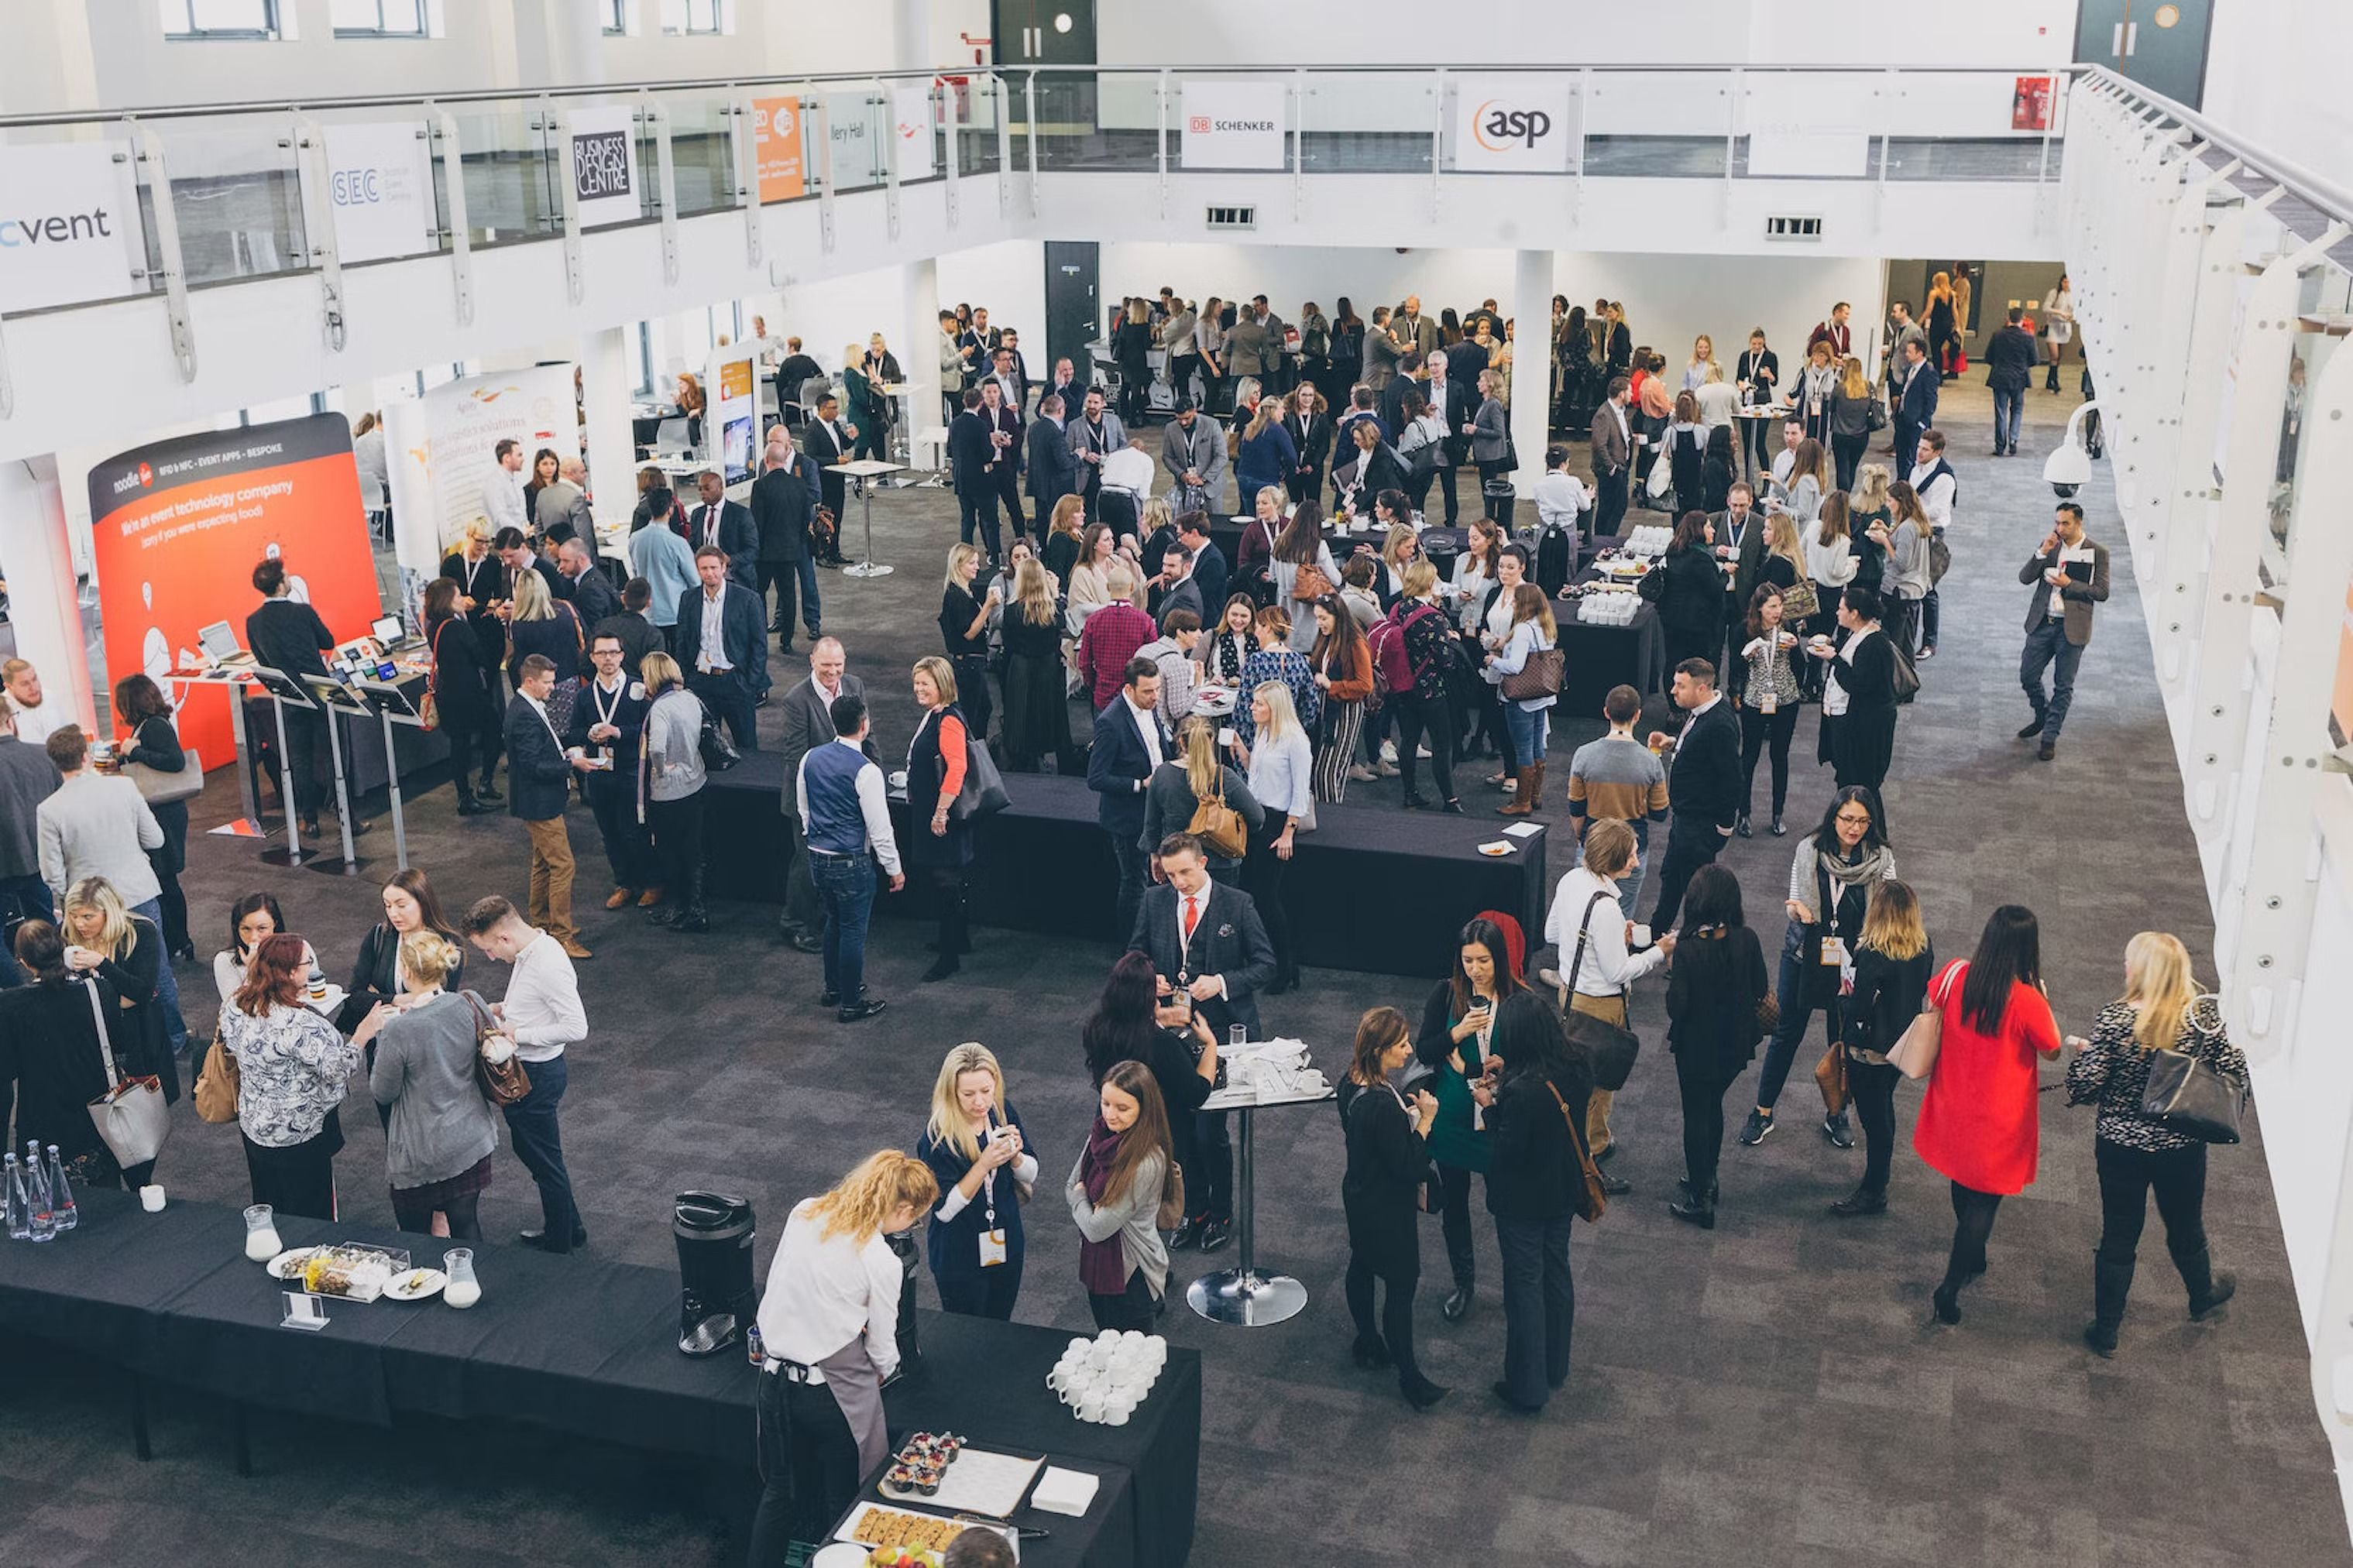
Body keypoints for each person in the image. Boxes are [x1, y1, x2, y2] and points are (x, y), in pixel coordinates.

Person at [747, 1151, 939, 1558]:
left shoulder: (804, 1211)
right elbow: (883, 1347)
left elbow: (785, 1280)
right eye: (914, 1219)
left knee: (779, 1492)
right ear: (903, 1209)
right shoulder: (880, 1260)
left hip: (772, 1381)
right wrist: (883, 1369)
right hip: (829, 1395)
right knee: (849, 1501)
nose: (911, 1227)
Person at [2066, 931, 2246, 1354]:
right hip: (2182, 1148)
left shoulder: (2115, 1020)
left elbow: (2085, 1086)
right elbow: (2237, 1076)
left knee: (2119, 1234)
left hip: (2120, 1148)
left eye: (2130, 962)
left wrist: (2085, 1057)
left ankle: (2107, 1329)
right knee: (2185, 1225)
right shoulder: (2205, 1021)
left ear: (2143, 971)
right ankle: (2202, 1295)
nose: (2125, 968)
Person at [1913, 904, 2063, 1325]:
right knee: (1985, 1202)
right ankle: (1952, 1283)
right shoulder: (2027, 1000)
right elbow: (2051, 1048)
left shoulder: (1958, 975)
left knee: (1962, 1181)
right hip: (1999, 1120)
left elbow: (1932, 998)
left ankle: (1971, 1255)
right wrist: (2044, 999)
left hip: (1952, 1103)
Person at [1743, 785, 1895, 1151]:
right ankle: (1762, 1111)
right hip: (1804, 952)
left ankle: (1836, 1113)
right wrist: (1797, 911)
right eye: (1847, 819)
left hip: (1853, 960)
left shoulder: (1881, 859)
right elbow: (1793, 902)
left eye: (1862, 821)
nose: (1854, 828)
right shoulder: (1809, 850)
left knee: (1842, 1040)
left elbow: (1887, 910)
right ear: (1834, 817)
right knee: (1786, 1033)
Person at [36, 726, 187, 1056]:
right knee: (156, 969)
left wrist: (66, 904)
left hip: (89, 905)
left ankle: (113, 1042)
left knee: (97, 972)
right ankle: (174, 1038)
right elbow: (156, 839)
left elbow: (51, 872)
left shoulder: (49, 809)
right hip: (138, 892)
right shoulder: (123, 787)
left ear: (54, 763)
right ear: (87, 755)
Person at [1485, 990, 1593, 1413]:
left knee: (1524, 1288)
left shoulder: (1521, 1093)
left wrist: (1491, 1105)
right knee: (1556, 1273)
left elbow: (1507, 1151)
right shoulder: (1578, 1064)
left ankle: (1527, 1388)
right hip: (1564, 1191)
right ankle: (1555, 1366)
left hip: (1522, 1203)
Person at [1413, 917, 1526, 1323]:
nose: (1475, 970)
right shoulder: (1446, 995)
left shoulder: (1519, 1001)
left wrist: (1489, 1072)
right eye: (1467, 961)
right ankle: (1465, 1283)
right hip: (1453, 1119)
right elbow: (1425, 1050)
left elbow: (1538, 1062)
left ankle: (1519, 1285)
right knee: (1455, 1207)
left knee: (1508, 1207)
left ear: (1500, 959)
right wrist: (1457, 1033)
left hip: (1501, 1120)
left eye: (1483, 961)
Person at [1543, 818, 1666, 1188]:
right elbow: (1618, 972)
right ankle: (1590, 1160)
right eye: (1631, 854)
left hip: (1569, 995)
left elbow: (1551, 933)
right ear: (1615, 859)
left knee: (1576, 1077)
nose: (1636, 861)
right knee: (1599, 1087)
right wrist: (1659, 952)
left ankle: (1587, 1143)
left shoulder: (1570, 880)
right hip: (1600, 1006)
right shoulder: (1608, 907)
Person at [462, 894, 589, 1251]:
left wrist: (519, 1034)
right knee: (538, 1154)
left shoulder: (546, 963)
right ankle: (570, 1227)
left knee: (544, 1161)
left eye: (488, 949)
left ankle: (560, 1242)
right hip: (530, 1072)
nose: (489, 957)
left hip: (537, 1076)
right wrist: (505, 1009)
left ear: (504, 938)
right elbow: (535, 1001)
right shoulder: (530, 951)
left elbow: (577, 1027)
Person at [1338, 1004, 1449, 1409]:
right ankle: (1409, 1376)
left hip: (1359, 1197)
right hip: (1388, 1210)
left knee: (1361, 1265)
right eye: (1402, 1045)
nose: (1409, 1050)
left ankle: (1368, 1340)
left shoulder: (1350, 1084)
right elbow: (1411, 1165)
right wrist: (1424, 1122)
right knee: (1400, 1290)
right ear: (1381, 1049)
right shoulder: (1382, 1106)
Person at [357, 930, 495, 1239]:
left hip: (421, 1151)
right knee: (466, 1223)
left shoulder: (399, 1031)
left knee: (416, 1238)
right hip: (470, 1138)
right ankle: (469, 1283)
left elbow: (383, 1091)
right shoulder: (470, 1002)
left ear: (406, 972)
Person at [0, 919, 156, 1190]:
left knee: (53, 1196)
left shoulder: (11, 1005)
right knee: (108, 1198)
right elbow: (119, 1043)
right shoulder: (100, 991)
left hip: (44, 1119)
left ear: (23, 962)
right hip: (97, 1114)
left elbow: (7, 1069)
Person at [220, 932, 362, 1220]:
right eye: (308, 962)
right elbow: (336, 1069)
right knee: (312, 1216)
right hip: (302, 1136)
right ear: (292, 973)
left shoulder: (236, 1005)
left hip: (255, 1127)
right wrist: (362, 1035)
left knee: (272, 1206)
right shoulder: (299, 1023)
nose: (313, 967)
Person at [797, 693, 902, 1023]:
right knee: (853, 930)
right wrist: (894, 868)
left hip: (818, 856)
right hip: (851, 861)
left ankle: (833, 988)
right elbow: (880, 827)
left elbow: (805, 809)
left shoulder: (810, 757)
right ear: (864, 724)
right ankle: (851, 1001)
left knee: (833, 922)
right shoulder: (866, 771)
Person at [915, 1041, 1038, 1320]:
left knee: (1001, 1325)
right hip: (959, 1253)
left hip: (1005, 1242)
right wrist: (984, 1164)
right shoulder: (938, 1137)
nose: (980, 1102)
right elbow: (944, 1211)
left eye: (986, 1090)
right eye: (968, 1094)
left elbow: (1030, 1174)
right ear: (951, 1092)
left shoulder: (1001, 1111)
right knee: (967, 1331)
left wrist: (1015, 1156)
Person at [1834, 879, 1933, 1218]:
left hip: (1869, 1050)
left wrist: (1842, 999)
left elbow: (1859, 1008)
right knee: (1884, 1109)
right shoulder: (1923, 947)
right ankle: (1877, 1182)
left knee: (1875, 1122)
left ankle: (1874, 1190)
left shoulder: (1874, 955)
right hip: (1901, 1045)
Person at [244, 558, 355, 839]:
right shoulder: (303, 612)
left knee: (301, 758)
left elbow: (262, 660)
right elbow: (327, 641)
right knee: (335, 754)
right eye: (287, 575)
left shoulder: (253, 622)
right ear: (281, 584)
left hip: (290, 695)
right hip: (321, 690)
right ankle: (347, 817)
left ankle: (310, 820)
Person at [1067, 1059, 1175, 1330]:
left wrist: (1082, 1198)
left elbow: (1096, 1228)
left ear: (1144, 1109)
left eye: (1122, 1108)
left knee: (1134, 1362)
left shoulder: (1146, 1161)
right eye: (1105, 1104)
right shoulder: (1100, 1135)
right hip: (1097, 1265)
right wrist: (1084, 1202)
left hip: (1131, 1273)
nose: (1110, 1115)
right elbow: (1069, 1185)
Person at [500, 655, 590, 960]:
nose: (554, 688)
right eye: (548, 683)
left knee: (543, 864)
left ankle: (540, 923)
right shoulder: (524, 714)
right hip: (540, 803)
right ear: (530, 681)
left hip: (537, 801)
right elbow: (534, 765)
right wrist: (570, 763)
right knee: (563, 865)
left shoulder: (525, 706)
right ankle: (562, 935)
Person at [60, 877, 177, 1108]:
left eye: (88, 916)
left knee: (142, 1112)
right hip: (91, 1041)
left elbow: (141, 993)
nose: (79, 924)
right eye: (73, 915)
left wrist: (102, 964)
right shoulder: (65, 935)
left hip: (137, 1038)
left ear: (108, 912)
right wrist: (119, 999)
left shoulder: (140, 932)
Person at [563, 631, 655, 912]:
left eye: (613, 653)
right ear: (592, 658)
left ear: (622, 656)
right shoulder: (584, 696)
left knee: (636, 830)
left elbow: (649, 728)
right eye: (602, 653)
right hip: (599, 771)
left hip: (631, 770)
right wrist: (589, 735)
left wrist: (617, 732)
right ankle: (624, 882)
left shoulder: (637, 689)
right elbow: (573, 733)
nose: (608, 659)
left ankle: (652, 881)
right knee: (610, 832)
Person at [1230, 681, 1312, 995]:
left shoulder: (1295, 741)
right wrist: (1243, 754)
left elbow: (1300, 789)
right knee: (1254, 894)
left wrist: (1288, 832)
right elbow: (1260, 777)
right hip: (1256, 819)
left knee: (1266, 897)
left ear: (1274, 708)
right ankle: (1270, 961)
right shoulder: (1264, 733)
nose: (1252, 708)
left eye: (1259, 704)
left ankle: (1285, 965)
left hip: (1277, 823)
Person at [1646, 659, 1740, 932]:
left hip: (1700, 825)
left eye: (1680, 686)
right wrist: (1674, 745)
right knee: (1672, 880)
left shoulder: (1719, 724)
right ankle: (1656, 936)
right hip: (1687, 820)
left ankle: (1694, 951)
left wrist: (1724, 827)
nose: (1673, 691)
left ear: (1701, 688)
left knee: (1697, 892)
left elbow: (1732, 779)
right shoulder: (1704, 711)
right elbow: (1702, 751)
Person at [2018, 500, 2109, 761]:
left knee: (2063, 686)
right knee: (2028, 676)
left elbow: (2102, 592)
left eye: (2065, 523)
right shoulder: (2051, 545)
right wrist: (2040, 553)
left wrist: (2070, 584)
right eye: (2057, 522)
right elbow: (2025, 578)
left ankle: (2050, 737)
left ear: (2079, 523)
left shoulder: (2097, 552)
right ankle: (2042, 714)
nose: (2059, 528)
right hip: (2043, 622)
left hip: (2072, 627)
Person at [902, 657, 975, 983]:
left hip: (942, 819)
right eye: (917, 683)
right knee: (947, 882)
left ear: (941, 685)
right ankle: (957, 940)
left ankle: (950, 956)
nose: (918, 689)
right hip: (935, 815)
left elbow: (957, 767)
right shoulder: (936, 715)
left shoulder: (948, 720)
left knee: (947, 884)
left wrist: (941, 812)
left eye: (925, 684)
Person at [110, 674, 193, 960]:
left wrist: (137, 752)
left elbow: (175, 761)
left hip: (165, 813)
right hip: (162, 812)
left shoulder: (155, 726)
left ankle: (179, 941)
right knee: (164, 878)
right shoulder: (149, 724)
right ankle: (178, 941)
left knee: (166, 879)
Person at [1090, 657, 1170, 943]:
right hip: (1128, 817)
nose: (1155, 696)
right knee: (1134, 883)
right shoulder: (1110, 722)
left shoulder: (1150, 709)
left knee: (1152, 879)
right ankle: (1131, 950)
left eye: (1158, 689)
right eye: (1148, 691)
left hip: (1155, 811)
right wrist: (1140, 784)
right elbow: (1096, 778)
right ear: (1129, 688)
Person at [340, 866, 465, 1044]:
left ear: (423, 902)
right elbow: (356, 996)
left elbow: (444, 1001)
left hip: (426, 1041)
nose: (393, 914)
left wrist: (378, 997)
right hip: (382, 1040)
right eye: (387, 906)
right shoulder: (379, 936)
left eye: (401, 905)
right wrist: (398, 999)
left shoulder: (447, 944)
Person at [1141, 715, 1261, 887]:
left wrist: (1155, 856)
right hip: (1220, 863)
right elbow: (1257, 817)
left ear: (1181, 742)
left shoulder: (1163, 774)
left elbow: (1151, 824)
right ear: (1211, 740)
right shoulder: (1224, 776)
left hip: (1177, 863)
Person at [636, 652, 708, 932]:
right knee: (693, 851)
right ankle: (696, 909)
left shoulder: (661, 709)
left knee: (670, 852)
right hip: (696, 783)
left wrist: (662, 770)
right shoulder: (690, 698)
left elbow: (656, 748)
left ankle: (678, 906)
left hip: (668, 794)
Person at [1385, 561, 1463, 814]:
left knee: (1408, 740)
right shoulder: (1433, 618)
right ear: (1429, 584)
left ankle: (1410, 793)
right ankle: (1449, 799)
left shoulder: (1398, 608)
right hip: (1432, 690)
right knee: (1442, 744)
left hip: (1404, 687)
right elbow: (1447, 662)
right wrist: (1451, 640)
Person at [675, 544, 766, 753]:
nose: (710, 573)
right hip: (701, 681)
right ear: (697, 570)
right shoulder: (688, 598)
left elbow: (759, 645)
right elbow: (682, 640)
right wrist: (687, 677)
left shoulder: (747, 599)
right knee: (705, 744)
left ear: (724, 567)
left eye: (714, 568)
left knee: (746, 744)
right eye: (704, 569)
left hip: (735, 681)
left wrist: (749, 683)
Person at [1483, 584, 1559, 818]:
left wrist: (1492, 662)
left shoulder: (1524, 629)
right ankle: (1534, 795)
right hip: (1542, 697)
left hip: (1522, 699)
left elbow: (1515, 666)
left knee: (1523, 748)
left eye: (1516, 601)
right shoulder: (1546, 626)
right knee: (1537, 745)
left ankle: (1522, 801)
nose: (1513, 604)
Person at [999, 559, 1080, 775]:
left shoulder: (1011, 611)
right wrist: (1055, 595)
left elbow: (1008, 643)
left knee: (1022, 713)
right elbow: (1063, 626)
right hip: (1047, 668)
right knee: (1047, 712)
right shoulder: (1053, 610)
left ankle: (1024, 759)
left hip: (1020, 667)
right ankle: (1045, 755)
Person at [748, 441, 819, 655]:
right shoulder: (799, 485)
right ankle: (786, 640)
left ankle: (759, 637)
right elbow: (805, 519)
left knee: (759, 595)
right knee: (788, 596)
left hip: (765, 554)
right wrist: (797, 542)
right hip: (790, 551)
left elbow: (756, 523)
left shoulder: (760, 486)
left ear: (766, 461)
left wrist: (756, 550)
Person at [0, 698, 62, 929]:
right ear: (10, 719)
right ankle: (54, 966)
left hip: (4, 867)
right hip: (40, 858)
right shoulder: (43, 755)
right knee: (45, 928)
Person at [1307, 595, 1372, 803]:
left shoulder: (1355, 642)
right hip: (1328, 709)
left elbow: (1365, 685)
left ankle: (1332, 818)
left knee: (1327, 772)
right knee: (1322, 770)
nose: (1319, 623)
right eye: (1317, 618)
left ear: (1338, 616)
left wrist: (1331, 685)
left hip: (1346, 710)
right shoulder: (1327, 638)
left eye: (1324, 618)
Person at [1984, 306, 2040, 457]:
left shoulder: (1998, 335)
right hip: (2020, 378)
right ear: (2022, 320)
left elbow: (1988, 357)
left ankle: (2000, 445)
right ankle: (2014, 439)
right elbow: (2035, 360)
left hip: (2000, 376)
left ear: (2008, 319)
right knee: (2017, 409)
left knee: (2000, 411)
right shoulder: (2028, 337)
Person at [1589, 376, 1633, 537]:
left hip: (1622, 466)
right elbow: (1599, 445)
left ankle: (1609, 537)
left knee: (1619, 505)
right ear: (1621, 394)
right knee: (1608, 507)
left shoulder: (1621, 412)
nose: (1632, 395)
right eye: (1630, 392)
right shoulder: (1604, 415)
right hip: (1611, 470)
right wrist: (1612, 467)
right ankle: (1603, 538)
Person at [1892, 337, 1939, 474]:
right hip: (1903, 420)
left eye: (1910, 352)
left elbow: (1931, 400)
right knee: (1901, 456)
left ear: (1920, 353)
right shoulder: (1909, 370)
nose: (1906, 354)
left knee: (1915, 457)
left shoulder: (1929, 373)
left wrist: (1922, 422)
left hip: (1915, 423)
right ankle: (1901, 482)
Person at [2042, 273, 2074, 392]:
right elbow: (2046, 308)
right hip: (2054, 325)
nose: (2066, 285)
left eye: (2068, 282)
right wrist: (2060, 313)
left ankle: (2051, 379)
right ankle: (2054, 380)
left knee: (2059, 357)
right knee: (2054, 355)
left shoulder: (2073, 295)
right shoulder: (2054, 293)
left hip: (2065, 327)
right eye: (2064, 282)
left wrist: (2071, 317)